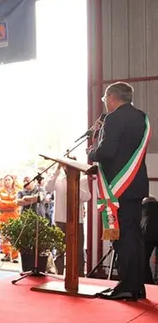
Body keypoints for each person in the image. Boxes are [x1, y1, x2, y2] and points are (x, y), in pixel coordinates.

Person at [89, 81, 151, 300]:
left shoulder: (114, 118)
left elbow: (107, 153)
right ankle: (136, 286)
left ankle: (126, 286)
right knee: (134, 236)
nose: (105, 103)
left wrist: (92, 152)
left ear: (113, 97)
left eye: (105, 99)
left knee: (123, 237)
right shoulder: (141, 117)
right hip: (137, 185)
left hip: (120, 187)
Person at [45, 162, 90, 276]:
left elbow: (86, 197)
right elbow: (48, 187)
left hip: (76, 220)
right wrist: (56, 171)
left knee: (78, 252)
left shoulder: (82, 179)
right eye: (65, 165)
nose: (67, 168)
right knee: (59, 251)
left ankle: (79, 276)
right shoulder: (59, 179)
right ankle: (59, 274)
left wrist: (73, 183)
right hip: (60, 219)